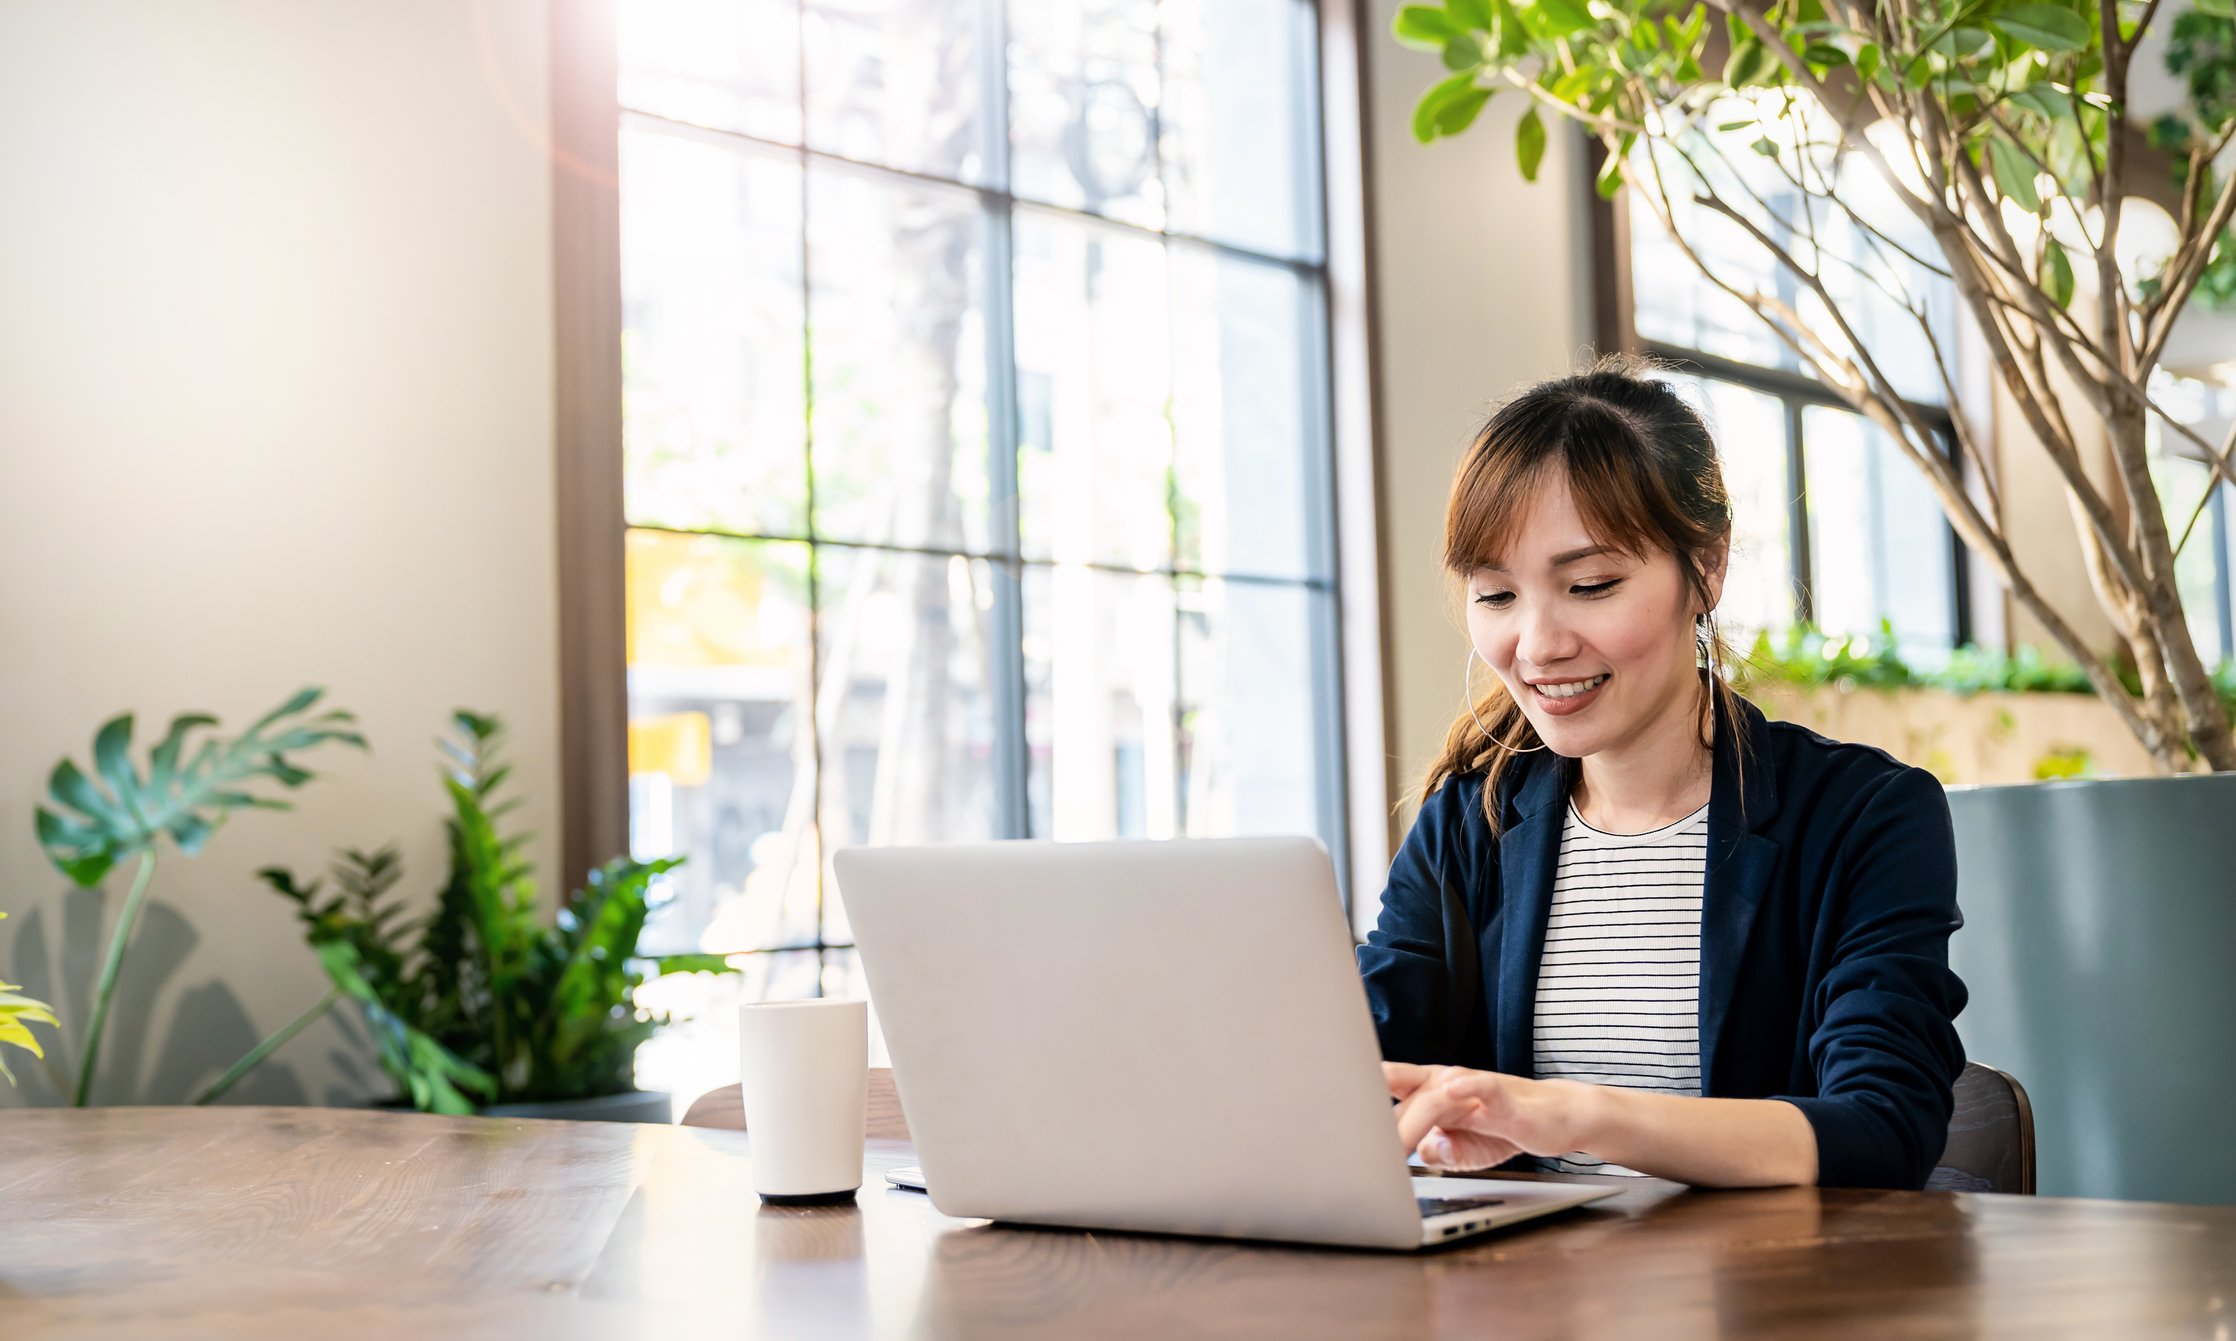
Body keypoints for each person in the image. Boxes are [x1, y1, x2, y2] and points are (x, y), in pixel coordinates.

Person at [1360, 356, 1967, 1190]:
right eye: (1496, 595)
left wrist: (1570, 1113)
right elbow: (1355, 1065)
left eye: (1590, 584)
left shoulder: (1864, 815)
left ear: (1706, 569)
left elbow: (1882, 1124)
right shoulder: (1473, 821)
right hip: (1530, 1303)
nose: (1537, 646)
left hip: (1767, 1303)